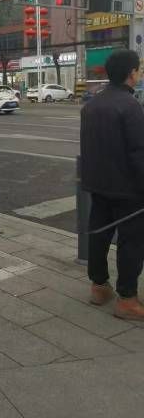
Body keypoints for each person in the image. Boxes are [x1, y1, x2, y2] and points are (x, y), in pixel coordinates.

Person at [80, 49, 144, 319]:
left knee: (100, 235)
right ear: (131, 73)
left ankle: (99, 287)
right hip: (127, 189)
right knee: (131, 242)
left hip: (98, 185)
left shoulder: (91, 105)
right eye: (138, 69)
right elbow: (139, 153)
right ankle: (127, 299)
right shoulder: (130, 106)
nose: (139, 73)